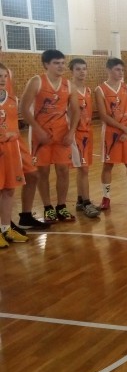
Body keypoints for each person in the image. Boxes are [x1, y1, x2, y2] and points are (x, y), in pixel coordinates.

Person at [18, 49, 80, 223]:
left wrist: (71, 132)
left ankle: (61, 206)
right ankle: (47, 208)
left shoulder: (69, 85)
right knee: (42, 172)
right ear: (46, 64)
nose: (61, 66)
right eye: (56, 63)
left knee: (63, 170)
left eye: (62, 63)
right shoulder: (37, 81)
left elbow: (76, 111)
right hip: (41, 135)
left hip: (62, 134)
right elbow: (23, 109)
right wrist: (37, 130)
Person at [0, 38, 47, 232]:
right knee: (4, 185)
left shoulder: (7, 73)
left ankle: (25, 216)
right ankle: (5, 224)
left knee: (32, 174)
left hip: (13, 137)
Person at [94, 58, 127, 209]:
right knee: (108, 165)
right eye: (117, 70)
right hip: (110, 133)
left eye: (122, 70)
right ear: (109, 70)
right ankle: (106, 198)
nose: (121, 73)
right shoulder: (100, 90)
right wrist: (123, 128)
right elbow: (103, 115)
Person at [0, 61, 29, 247]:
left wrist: (14, 134)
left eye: (5, 76)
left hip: (11, 151)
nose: (2, 80)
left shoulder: (12, 100)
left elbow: (15, 128)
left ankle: (6, 229)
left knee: (9, 189)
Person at [69, 58, 100, 218]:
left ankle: (80, 200)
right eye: (78, 69)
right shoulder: (69, 90)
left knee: (83, 168)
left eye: (84, 69)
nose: (82, 72)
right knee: (83, 169)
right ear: (72, 71)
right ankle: (87, 202)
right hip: (76, 134)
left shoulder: (88, 90)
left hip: (88, 132)